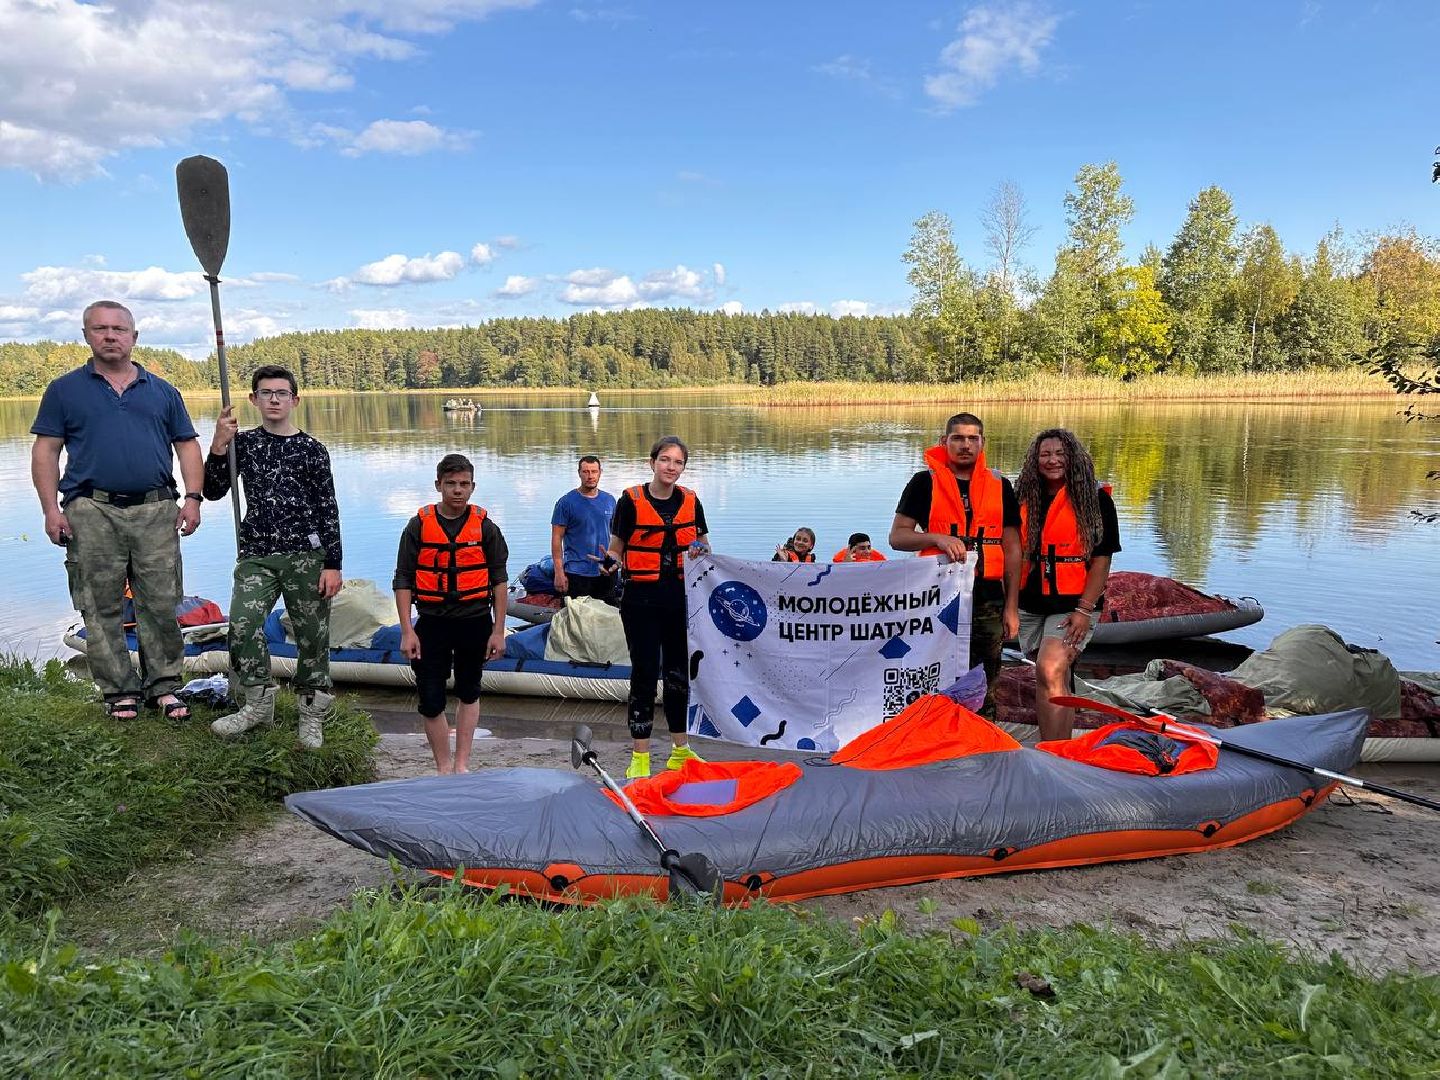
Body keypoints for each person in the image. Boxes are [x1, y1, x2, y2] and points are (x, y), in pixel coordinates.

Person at [29, 300, 203, 721]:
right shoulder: (64, 390)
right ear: (87, 335)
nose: (111, 336)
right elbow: (46, 450)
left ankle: (164, 687)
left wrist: (193, 498)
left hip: (156, 508)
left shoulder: (163, 391)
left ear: (134, 337)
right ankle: (118, 691)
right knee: (100, 603)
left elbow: (186, 446)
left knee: (160, 602)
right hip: (91, 509)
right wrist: (51, 509)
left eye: (119, 329)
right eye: (101, 329)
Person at [205, 365, 343, 749]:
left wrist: (333, 563)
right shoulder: (243, 445)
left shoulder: (313, 450)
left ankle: (311, 713)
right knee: (243, 627)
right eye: (266, 393)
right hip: (258, 555)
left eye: (282, 393)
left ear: (295, 400)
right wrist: (218, 446)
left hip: (306, 555)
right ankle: (258, 703)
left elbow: (328, 508)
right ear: (254, 399)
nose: (274, 400)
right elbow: (215, 491)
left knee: (312, 637)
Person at [889, 412, 1021, 717]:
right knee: (935, 673)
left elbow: (1013, 548)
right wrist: (938, 538)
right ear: (944, 442)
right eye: (958, 438)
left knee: (985, 678)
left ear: (982, 443)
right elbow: (898, 537)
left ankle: (982, 742)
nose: (965, 445)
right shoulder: (924, 483)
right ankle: (935, 738)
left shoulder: (1000, 485)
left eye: (972, 438)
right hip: (936, 597)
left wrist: (1012, 607)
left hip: (987, 597)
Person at [393, 454, 509, 774]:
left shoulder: (486, 527)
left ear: (472, 487)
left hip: (475, 621)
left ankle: (461, 765)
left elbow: (499, 581)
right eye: (451, 484)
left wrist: (499, 630)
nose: (458, 490)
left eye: (464, 484)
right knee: (431, 698)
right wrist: (407, 629)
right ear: (438, 485)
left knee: (469, 689)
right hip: (431, 622)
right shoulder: (418, 525)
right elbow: (403, 578)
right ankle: (443, 767)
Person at [606, 435, 710, 780]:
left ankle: (680, 751)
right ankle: (641, 755)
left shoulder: (691, 502)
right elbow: (616, 548)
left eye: (677, 462)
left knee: (679, 673)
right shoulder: (630, 502)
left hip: (678, 598)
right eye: (665, 460)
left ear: (683, 467)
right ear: (652, 463)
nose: (671, 468)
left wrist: (700, 552)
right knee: (645, 673)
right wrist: (610, 562)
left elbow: (704, 546)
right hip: (640, 600)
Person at [1014, 428, 1121, 742]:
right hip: (1031, 604)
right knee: (1051, 675)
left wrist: (1084, 610)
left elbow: (1102, 560)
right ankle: (1060, 746)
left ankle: (1053, 753)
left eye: (1060, 454)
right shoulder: (1022, 496)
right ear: (1035, 460)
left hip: (1073, 604)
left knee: (1049, 668)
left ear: (1073, 458)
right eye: (1045, 454)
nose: (1052, 460)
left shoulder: (1096, 500)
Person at [550, 454, 617, 603]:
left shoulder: (610, 501)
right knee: (579, 622)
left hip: (606, 571)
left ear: (600, 473)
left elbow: (617, 537)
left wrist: (618, 562)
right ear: (579, 473)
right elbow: (556, 539)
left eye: (594, 471)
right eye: (586, 471)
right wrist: (559, 572)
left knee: (608, 620)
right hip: (577, 573)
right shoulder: (566, 503)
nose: (590, 476)